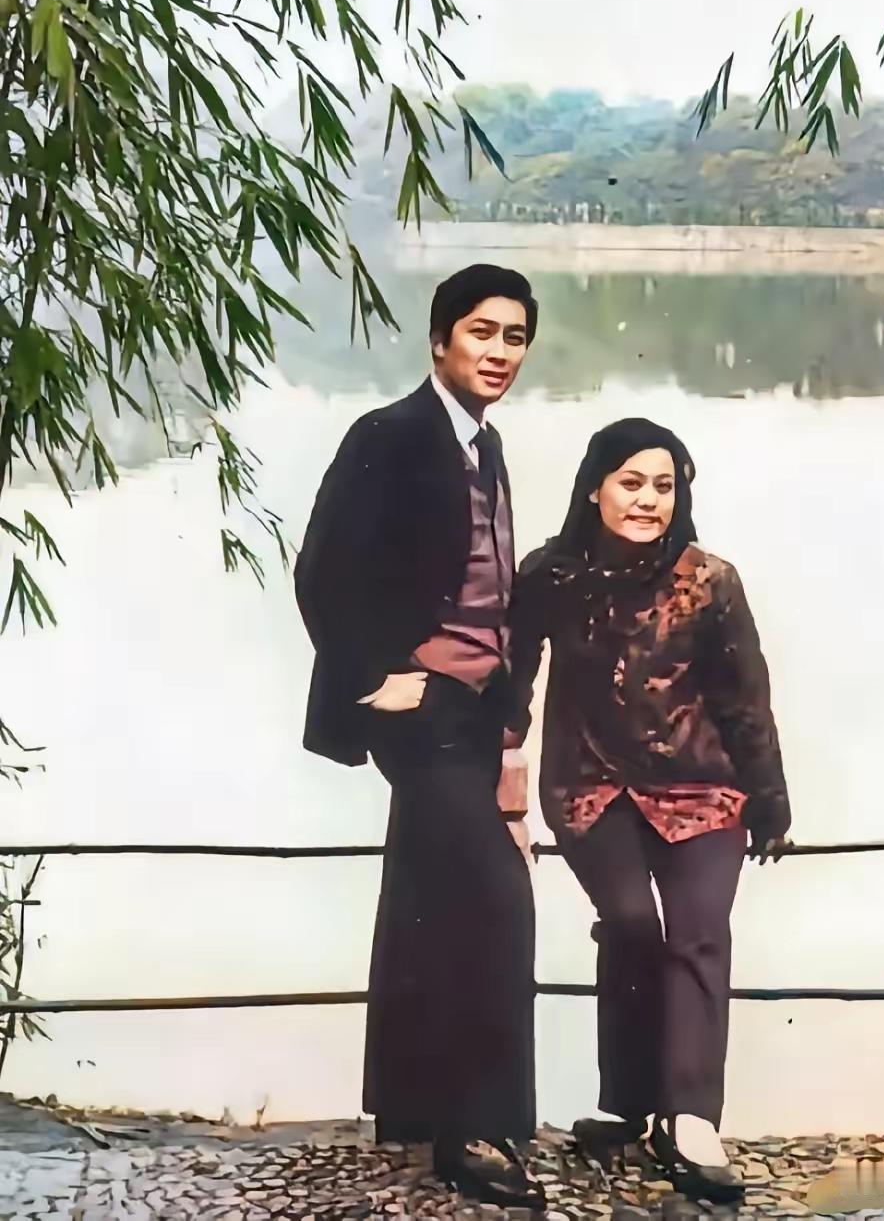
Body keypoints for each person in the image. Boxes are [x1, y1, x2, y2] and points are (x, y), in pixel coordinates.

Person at [294, 264, 545, 1211]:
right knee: (498, 901)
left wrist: (508, 714)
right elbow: (321, 570)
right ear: (439, 340)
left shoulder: (487, 443)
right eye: (482, 332)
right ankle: (471, 1130)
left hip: (475, 708)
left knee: (427, 895)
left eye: (514, 337)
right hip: (420, 706)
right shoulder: (390, 434)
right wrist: (373, 678)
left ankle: (410, 1104)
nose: (499, 352)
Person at [504, 417, 792, 1205]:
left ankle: (690, 1120)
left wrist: (770, 801)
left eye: (663, 487)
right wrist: (503, 761)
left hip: (703, 789)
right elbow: (514, 676)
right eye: (631, 483)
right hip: (591, 784)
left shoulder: (712, 581)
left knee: (698, 934)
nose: (647, 500)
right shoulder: (551, 575)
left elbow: (746, 701)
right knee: (632, 923)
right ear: (593, 489)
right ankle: (629, 1104)